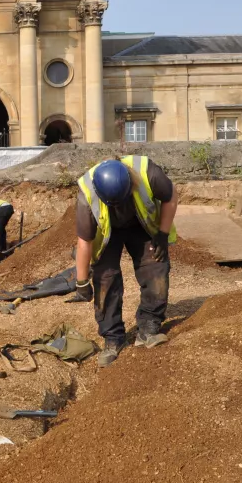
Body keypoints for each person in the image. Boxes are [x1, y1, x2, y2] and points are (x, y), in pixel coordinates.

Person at [66, 156, 178, 367]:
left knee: (155, 267)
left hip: (140, 222)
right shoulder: (87, 194)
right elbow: (84, 242)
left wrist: (162, 234)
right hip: (108, 232)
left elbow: (170, 196)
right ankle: (112, 337)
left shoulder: (148, 173)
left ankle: (148, 326)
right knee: (105, 278)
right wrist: (81, 283)